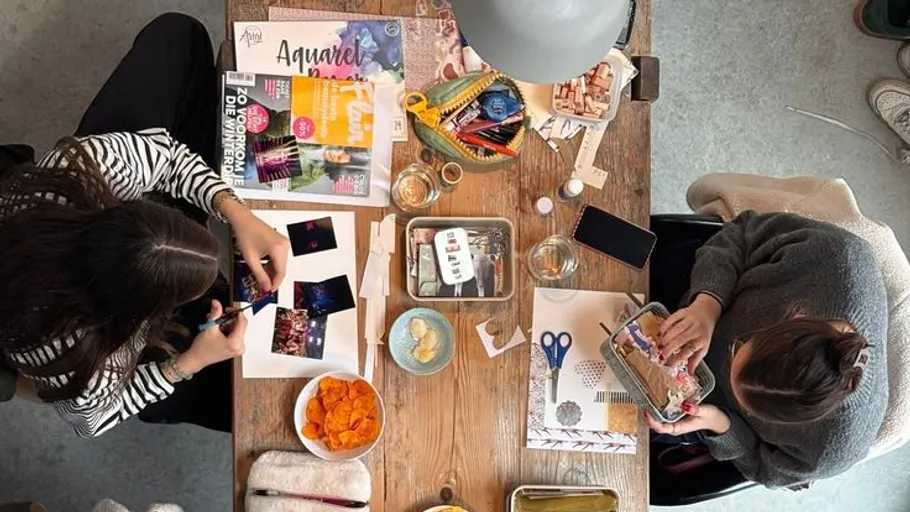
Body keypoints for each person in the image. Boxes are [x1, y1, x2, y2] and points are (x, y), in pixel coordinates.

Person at [0, 13, 290, 437]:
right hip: (71, 332)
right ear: (144, 314)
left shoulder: (79, 169)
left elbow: (167, 158)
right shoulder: (79, 359)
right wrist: (185, 364)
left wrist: (234, 210)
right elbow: (94, 420)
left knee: (177, 35)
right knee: (249, 401)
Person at [644, 211, 888, 488]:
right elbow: (742, 230)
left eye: (748, 409)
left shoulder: (830, 450)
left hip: (704, 411)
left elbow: (761, 467)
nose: (723, 364)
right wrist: (708, 304)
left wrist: (721, 421)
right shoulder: (834, 256)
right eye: (736, 347)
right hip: (696, 294)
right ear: (795, 314)